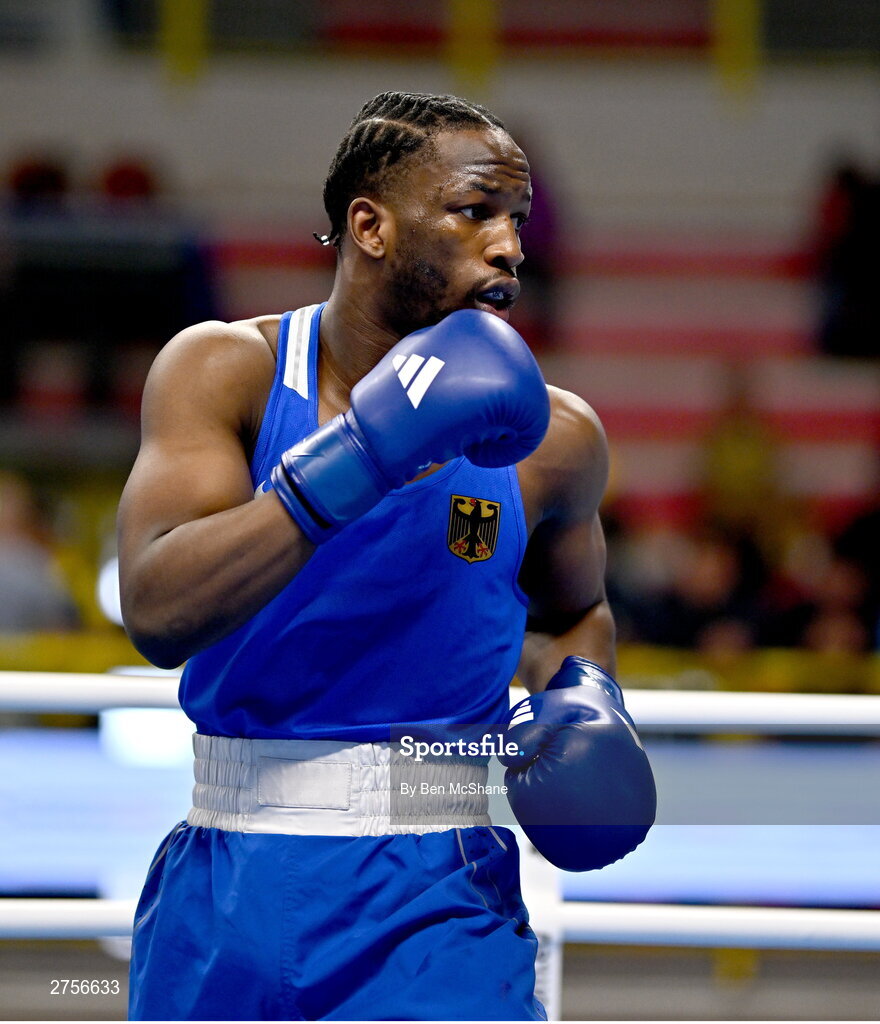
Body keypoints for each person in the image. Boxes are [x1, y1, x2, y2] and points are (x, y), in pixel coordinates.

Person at [118, 91, 654, 1021]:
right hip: (230, 875)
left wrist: (584, 698)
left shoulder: (557, 439)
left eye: (517, 220)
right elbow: (158, 611)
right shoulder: (226, 374)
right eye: (475, 210)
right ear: (369, 225)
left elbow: (569, 616)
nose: (511, 246)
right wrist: (361, 457)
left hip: (435, 891)